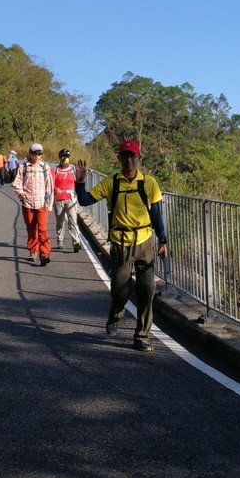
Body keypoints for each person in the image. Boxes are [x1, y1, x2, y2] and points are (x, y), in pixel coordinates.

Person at [74, 139, 168, 352]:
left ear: (139, 158)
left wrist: (163, 240)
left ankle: (142, 336)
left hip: (145, 241)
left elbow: (156, 214)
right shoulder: (111, 183)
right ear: (119, 159)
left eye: (132, 156)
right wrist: (79, 183)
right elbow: (86, 201)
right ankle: (115, 314)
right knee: (120, 290)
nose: (129, 160)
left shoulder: (149, 183)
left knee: (147, 290)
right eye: (125, 156)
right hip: (120, 243)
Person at [12, 142, 53, 265]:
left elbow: (49, 187)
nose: (37, 156)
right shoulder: (23, 167)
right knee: (31, 228)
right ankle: (33, 251)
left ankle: (44, 253)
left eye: (39, 154)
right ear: (30, 154)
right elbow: (16, 184)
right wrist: (21, 193)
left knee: (42, 229)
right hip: (28, 203)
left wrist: (50, 204)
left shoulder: (45, 168)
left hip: (42, 204)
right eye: (35, 153)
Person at [52, 149, 81, 252]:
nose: (65, 159)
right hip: (59, 199)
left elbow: (79, 180)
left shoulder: (73, 169)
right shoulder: (55, 170)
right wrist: (56, 189)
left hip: (71, 198)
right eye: (63, 157)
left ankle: (76, 242)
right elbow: (50, 182)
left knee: (73, 221)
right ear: (60, 158)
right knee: (60, 221)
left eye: (67, 156)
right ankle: (60, 240)